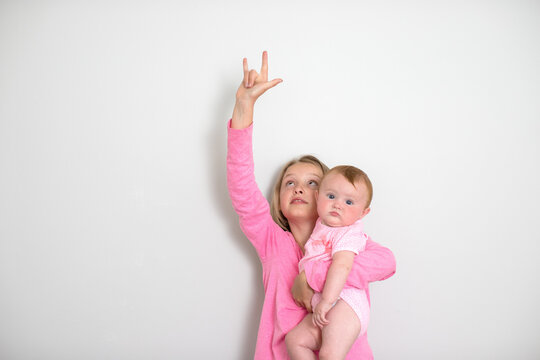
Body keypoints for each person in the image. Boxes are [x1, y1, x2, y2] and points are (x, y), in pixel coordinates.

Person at [227, 51, 396, 359]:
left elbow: (386, 262)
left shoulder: (350, 238)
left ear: (326, 198)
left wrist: (311, 277)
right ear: (279, 200)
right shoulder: (271, 241)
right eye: (290, 182)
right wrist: (244, 107)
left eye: (313, 183)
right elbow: (241, 185)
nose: (300, 188)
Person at [286, 165, 374, 359]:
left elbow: (342, 266)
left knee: (329, 355)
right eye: (331, 197)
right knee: (294, 340)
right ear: (318, 197)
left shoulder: (348, 232)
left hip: (345, 303)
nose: (338, 205)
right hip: (327, 306)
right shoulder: (322, 224)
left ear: (363, 213)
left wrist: (327, 301)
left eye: (349, 201)